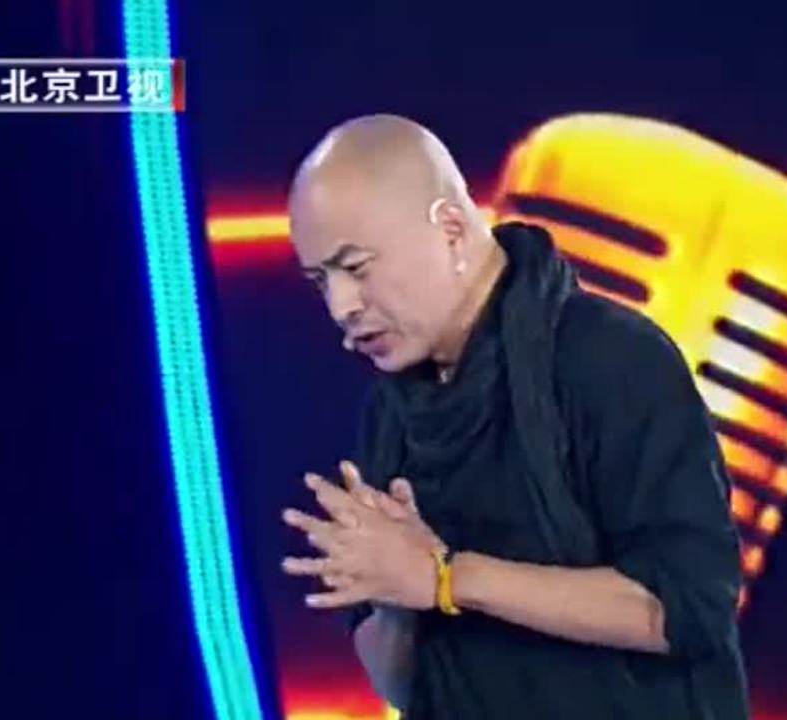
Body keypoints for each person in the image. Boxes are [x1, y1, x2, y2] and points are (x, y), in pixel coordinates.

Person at [280, 114, 749, 719]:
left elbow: (688, 610)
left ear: (451, 229)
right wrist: (394, 593)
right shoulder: (394, 411)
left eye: (357, 268)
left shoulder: (611, 359)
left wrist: (449, 579)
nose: (341, 306)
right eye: (321, 281)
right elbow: (403, 689)